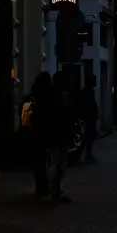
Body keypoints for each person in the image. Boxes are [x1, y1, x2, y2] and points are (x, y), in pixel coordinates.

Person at [33, 71, 73, 203]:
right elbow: (60, 116)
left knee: (55, 163)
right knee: (57, 164)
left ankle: (54, 190)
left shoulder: (44, 96)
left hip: (53, 136)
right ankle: (54, 191)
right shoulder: (53, 96)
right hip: (56, 136)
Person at [79, 76, 99, 163]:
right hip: (88, 118)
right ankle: (86, 154)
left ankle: (87, 153)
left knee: (89, 137)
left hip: (89, 117)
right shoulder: (87, 92)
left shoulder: (88, 92)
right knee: (87, 136)